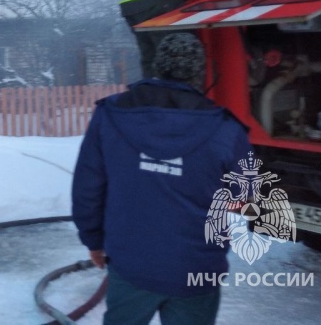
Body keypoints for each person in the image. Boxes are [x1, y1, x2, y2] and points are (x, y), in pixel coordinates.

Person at [72, 33, 252, 325]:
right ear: (199, 72)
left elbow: (87, 187)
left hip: (131, 264)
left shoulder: (111, 114)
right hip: (196, 268)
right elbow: (244, 194)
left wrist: (93, 241)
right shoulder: (225, 128)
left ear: (158, 66)